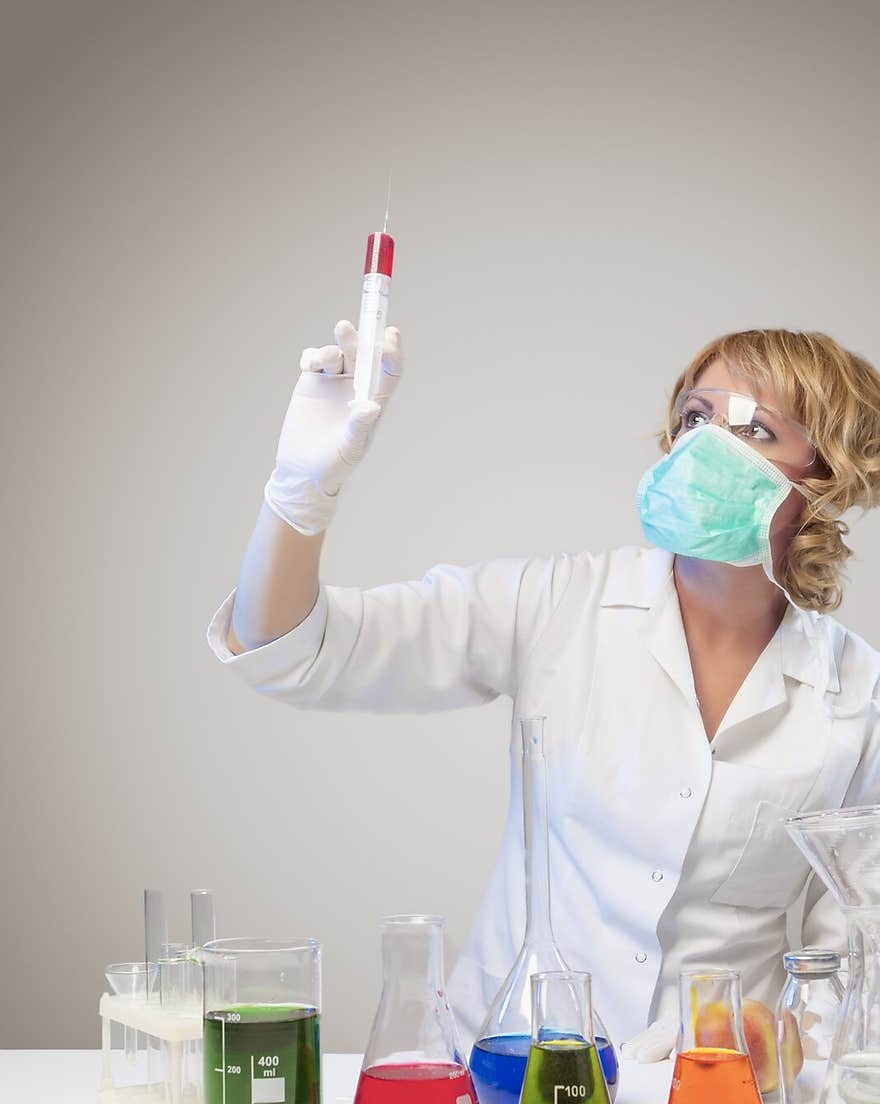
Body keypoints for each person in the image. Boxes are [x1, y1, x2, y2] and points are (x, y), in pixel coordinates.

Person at [207, 320, 880, 1061]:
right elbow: (291, 652)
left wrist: (775, 1048)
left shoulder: (856, 693)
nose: (707, 446)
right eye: (697, 416)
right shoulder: (556, 603)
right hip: (509, 1079)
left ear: (824, 477)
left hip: (716, 1098)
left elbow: (854, 947)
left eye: (755, 429)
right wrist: (301, 492)